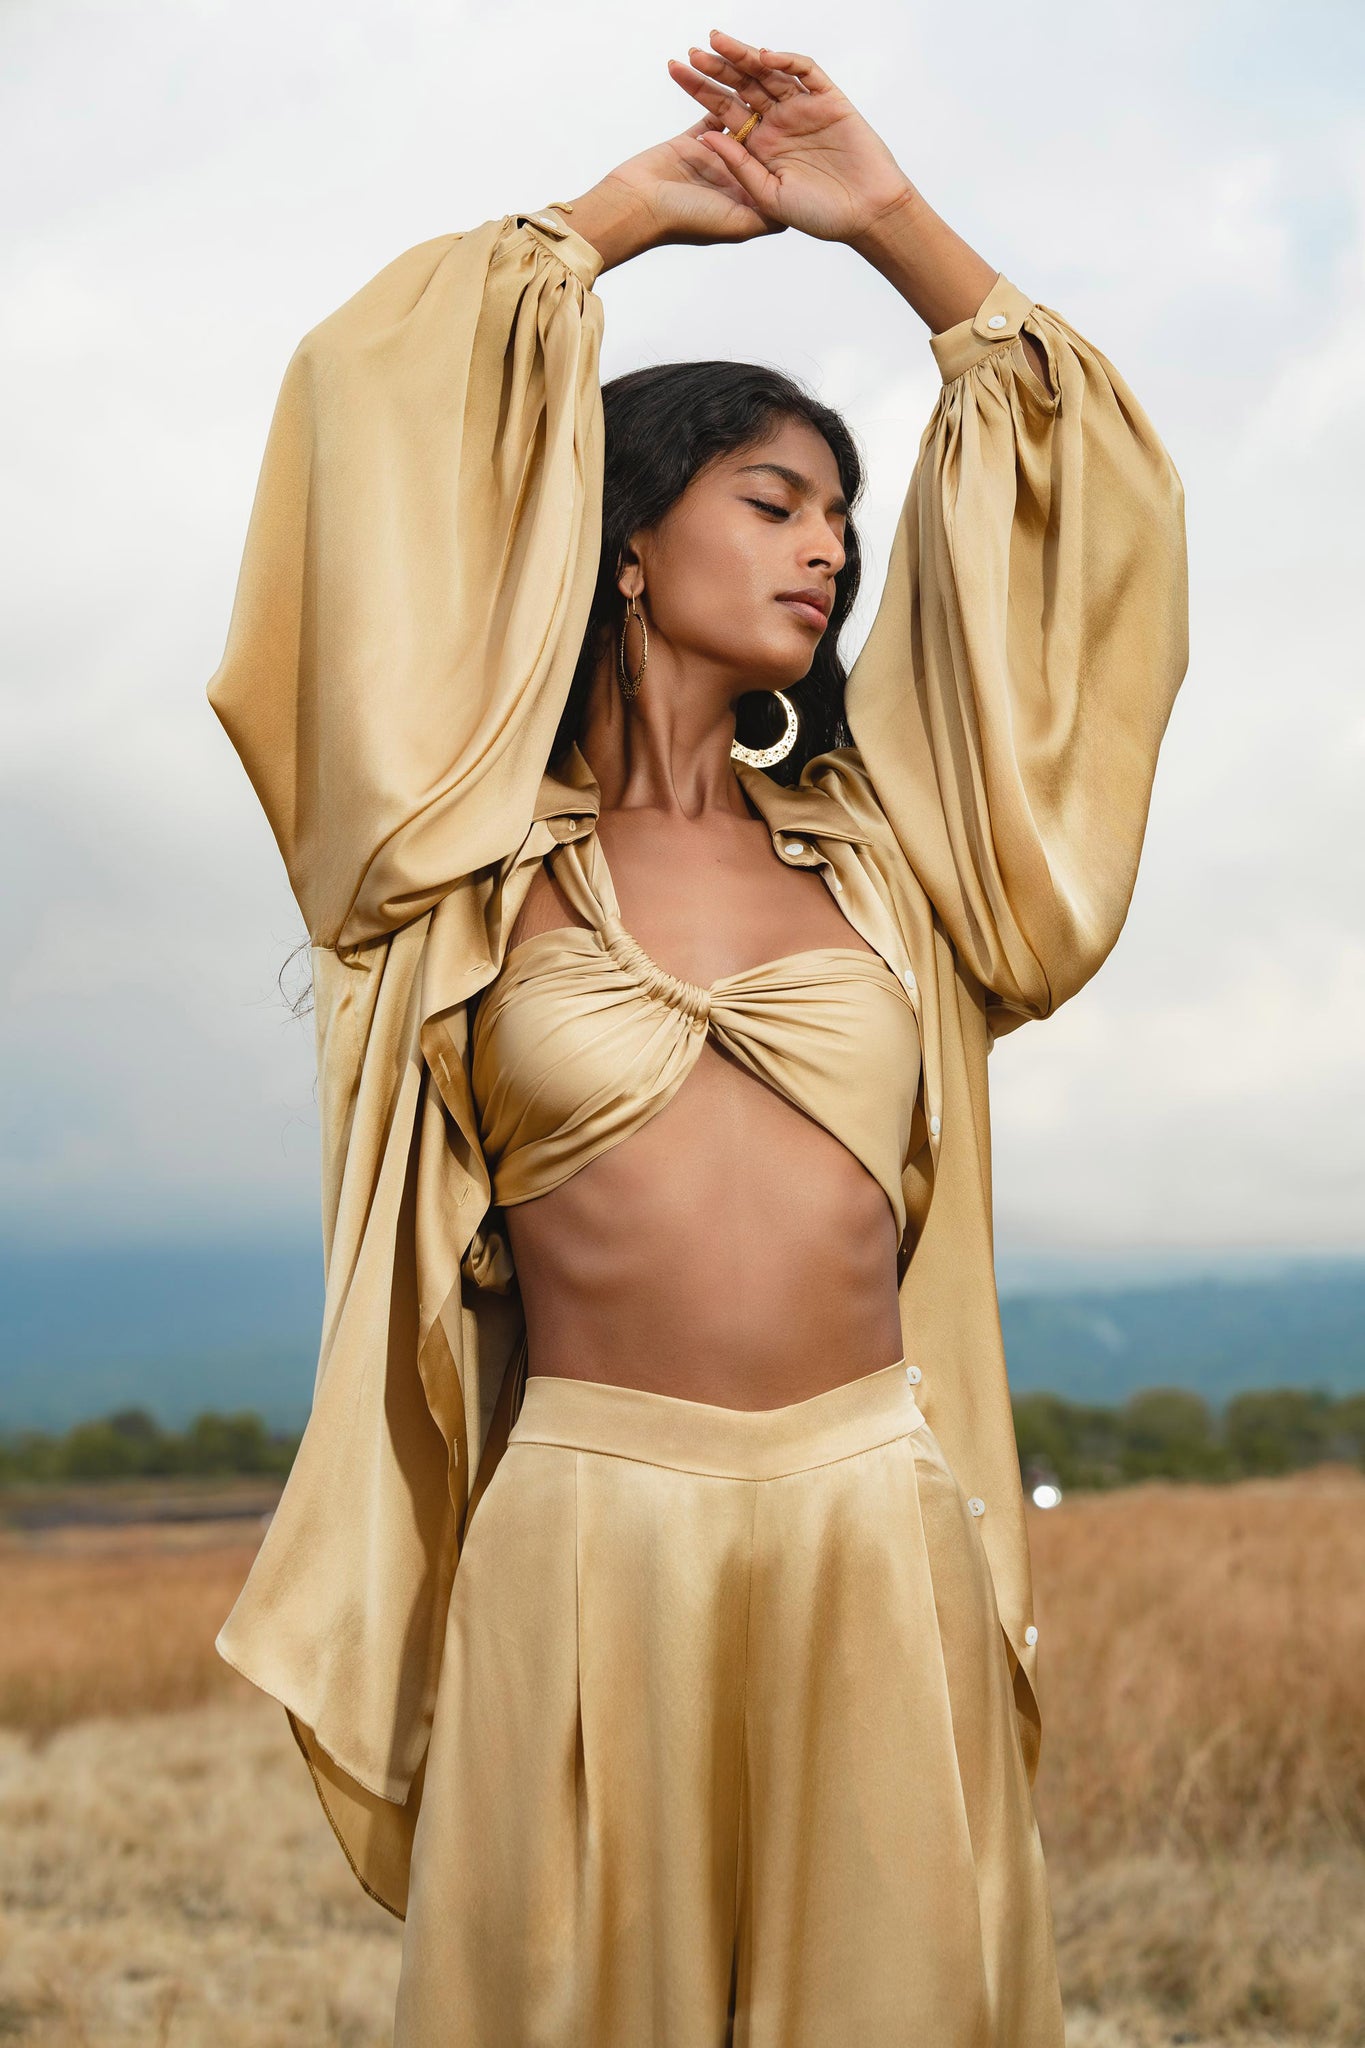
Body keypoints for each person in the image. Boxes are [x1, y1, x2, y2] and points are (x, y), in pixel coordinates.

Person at [207, 30, 1187, 2048]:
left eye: (838, 511)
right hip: (585, 1538)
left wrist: (887, 221)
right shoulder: (457, 879)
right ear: (627, 534)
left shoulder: (895, 863)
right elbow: (354, 439)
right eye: (773, 499)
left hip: (869, 1516)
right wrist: (614, 223)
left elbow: (1077, 510)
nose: (829, 545)